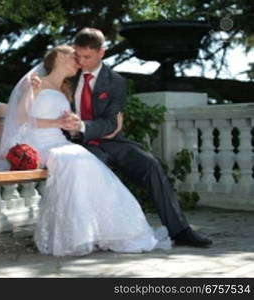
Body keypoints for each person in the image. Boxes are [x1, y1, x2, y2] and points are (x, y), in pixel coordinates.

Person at [0, 44, 170, 256]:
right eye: (74, 58)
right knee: (76, 161)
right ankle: (75, 236)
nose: (79, 64)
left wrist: (72, 124)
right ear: (59, 56)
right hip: (39, 144)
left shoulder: (65, 90)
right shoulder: (36, 84)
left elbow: (66, 124)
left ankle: (110, 231)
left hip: (60, 143)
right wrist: (54, 120)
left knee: (90, 164)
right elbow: (21, 119)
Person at [56, 28, 212, 248]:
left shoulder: (116, 82)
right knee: (94, 167)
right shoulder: (69, 75)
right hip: (79, 144)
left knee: (151, 165)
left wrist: (82, 125)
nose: (81, 61)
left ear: (102, 52)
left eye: (87, 57)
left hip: (112, 140)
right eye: (78, 55)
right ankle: (94, 234)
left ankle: (180, 231)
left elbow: (111, 123)